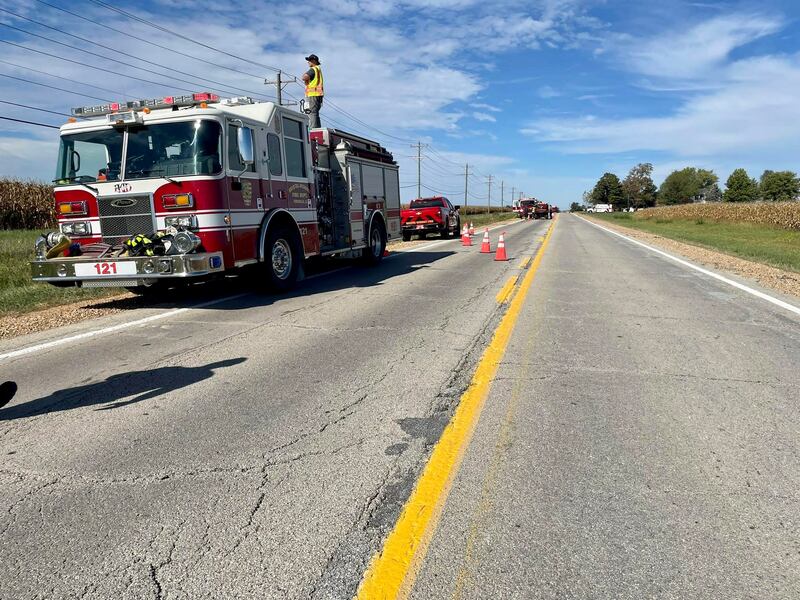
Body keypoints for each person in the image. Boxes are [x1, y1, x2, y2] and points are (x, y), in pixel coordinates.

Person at [302, 54, 324, 129]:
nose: (308, 62)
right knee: (315, 113)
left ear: (314, 61)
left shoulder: (313, 69)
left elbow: (305, 77)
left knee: (311, 113)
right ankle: (317, 129)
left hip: (313, 94)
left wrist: (304, 75)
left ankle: (313, 130)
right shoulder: (318, 69)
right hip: (317, 95)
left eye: (309, 60)